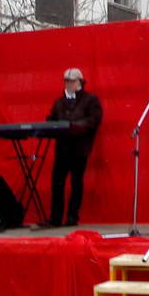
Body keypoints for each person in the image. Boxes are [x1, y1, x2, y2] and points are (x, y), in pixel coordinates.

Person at [44, 67, 102, 226]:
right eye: (66, 81)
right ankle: (55, 218)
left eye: (71, 81)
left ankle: (72, 216)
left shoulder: (90, 100)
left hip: (79, 148)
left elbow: (94, 120)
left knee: (76, 182)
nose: (68, 84)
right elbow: (52, 118)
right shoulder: (59, 102)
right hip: (62, 148)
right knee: (57, 183)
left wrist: (72, 126)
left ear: (80, 82)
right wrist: (51, 124)